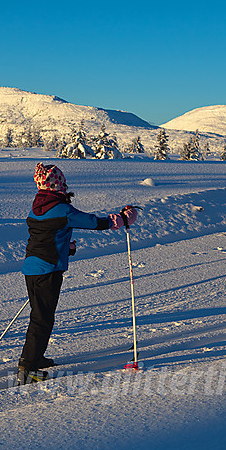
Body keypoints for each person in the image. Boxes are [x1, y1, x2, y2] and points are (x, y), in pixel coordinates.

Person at [17, 162, 137, 384]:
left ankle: (36, 357)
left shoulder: (37, 207)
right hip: (48, 270)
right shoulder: (62, 209)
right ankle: (28, 368)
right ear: (57, 184)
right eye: (62, 182)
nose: (64, 186)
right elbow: (95, 222)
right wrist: (123, 219)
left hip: (32, 268)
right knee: (42, 319)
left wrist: (65, 247)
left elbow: (45, 235)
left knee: (39, 315)